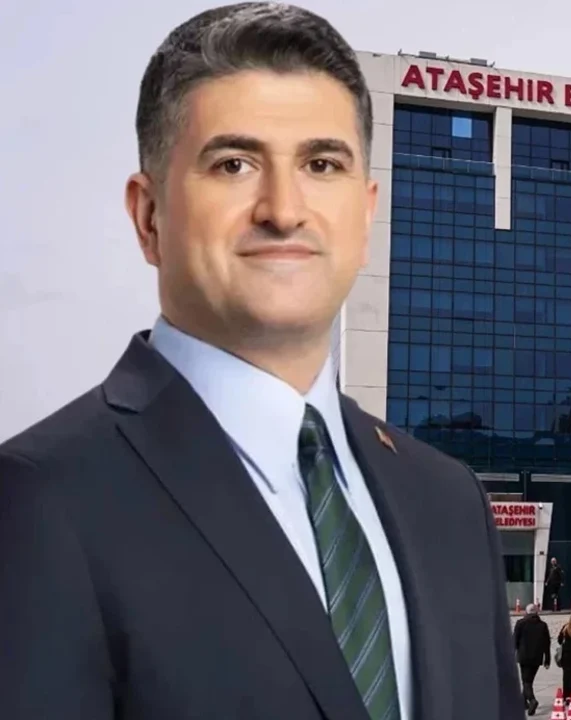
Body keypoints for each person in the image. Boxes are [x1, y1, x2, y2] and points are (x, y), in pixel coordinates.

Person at [0, 4, 523, 719]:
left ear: (366, 215)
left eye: (321, 164)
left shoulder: (450, 501)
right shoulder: (38, 501)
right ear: (149, 217)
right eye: (234, 164)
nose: (283, 209)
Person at [512, 604, 551, 715]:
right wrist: (547, 659)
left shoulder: (520, 623)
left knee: (526, 681)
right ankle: (523, 702)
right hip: (537, 657)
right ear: (537, 612)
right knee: (529, 680)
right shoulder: (543, 625)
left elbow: (514, 641)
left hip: (524, 657)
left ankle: (532, 700)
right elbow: (547, 643)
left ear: (526, 612)